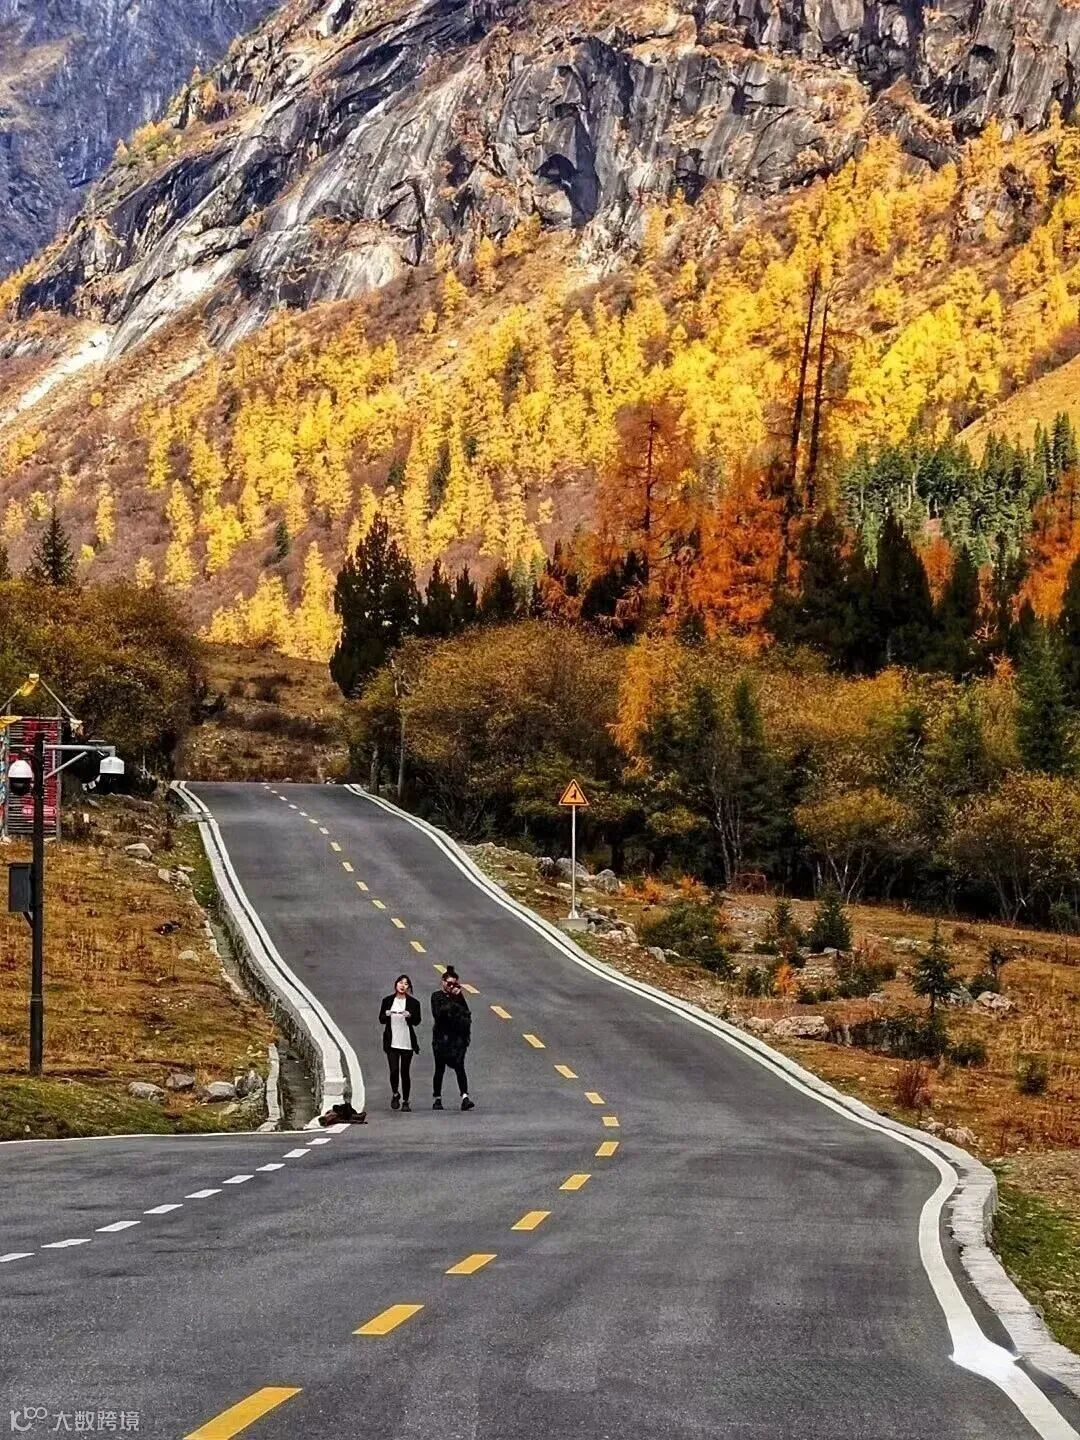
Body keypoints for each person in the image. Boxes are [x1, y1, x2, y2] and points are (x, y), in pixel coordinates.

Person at [431, 966, 474, 1111]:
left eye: (454, 984)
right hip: (441, 1038)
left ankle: (465, 1096)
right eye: (449, 983)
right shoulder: (436, 996)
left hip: (456, 1039)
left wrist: (459, 997)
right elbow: (437, 1014)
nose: (451, 987)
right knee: (439, 1068)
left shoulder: (458, 996)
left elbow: (466, 1013)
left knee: (460, 1066)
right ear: (443, 982)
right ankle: (437, 1097)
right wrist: (452, 1002)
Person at [379, 974, 421, 1111]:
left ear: (409, 987)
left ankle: (406, 1101)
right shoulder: (387, 1000)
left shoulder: (414, 1003)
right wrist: (386, 1014)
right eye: (401, 983)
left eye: (406, 984)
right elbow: (381, 1019)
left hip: (407, 1042)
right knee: (394, 1070)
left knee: (405, 1072)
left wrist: (410, 1016)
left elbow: (417, 1021)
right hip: (392, 1042)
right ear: (396, 984)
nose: (403, 986)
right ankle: (395, 1093)